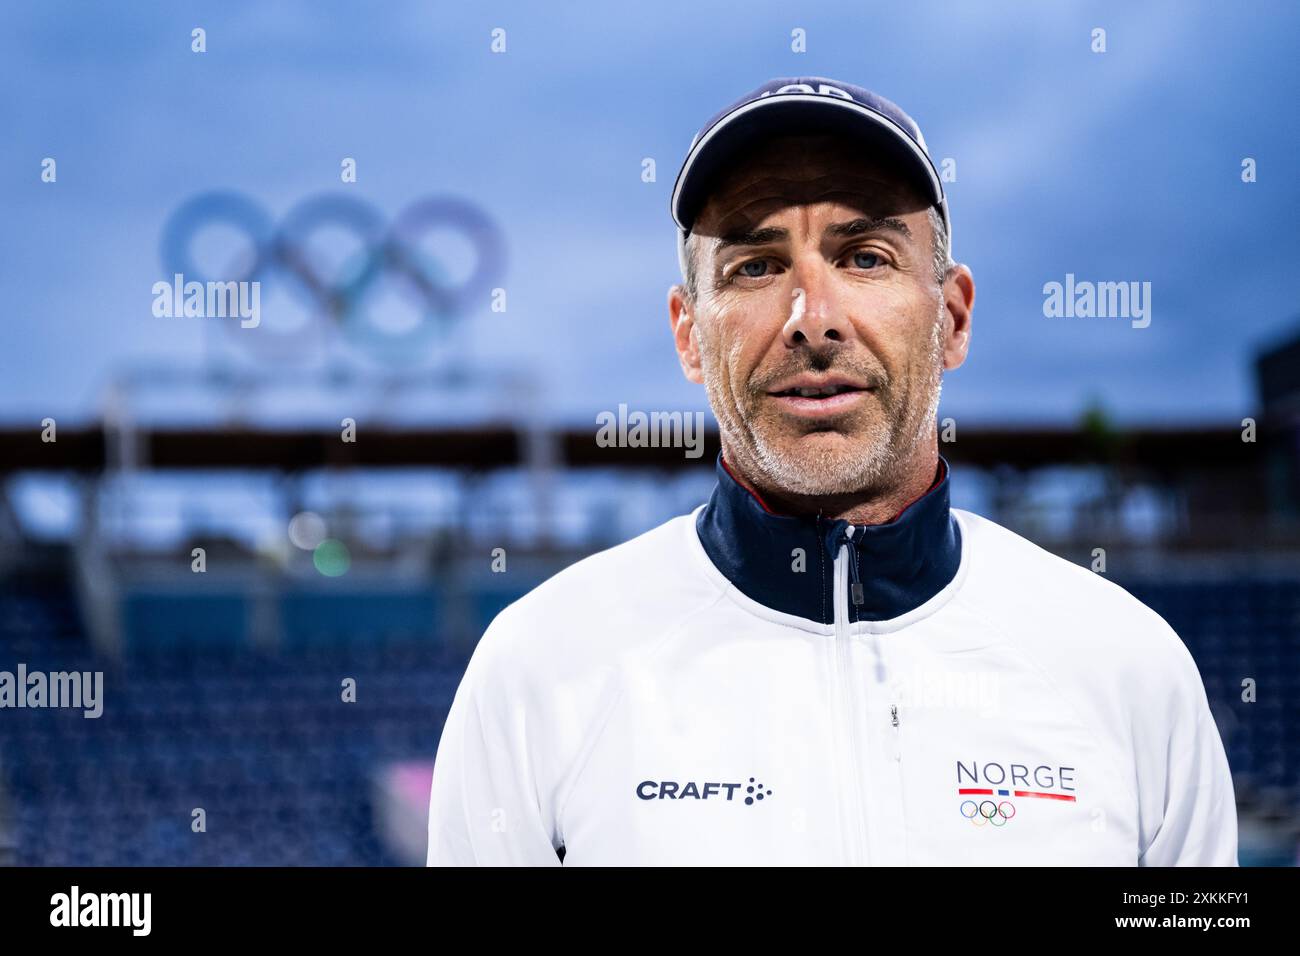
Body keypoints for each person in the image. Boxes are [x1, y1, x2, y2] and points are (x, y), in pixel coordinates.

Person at [426, 76, 1237, 866]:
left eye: (867, 256)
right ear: (688, 336)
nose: (813, 320)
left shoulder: (1127, 665)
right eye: (754, 266)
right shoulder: (541, 668)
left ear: (951, 318)